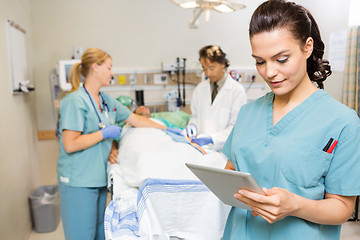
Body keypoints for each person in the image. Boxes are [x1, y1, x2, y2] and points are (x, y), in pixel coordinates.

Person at [222, 0, 360, 239]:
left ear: (307, 47)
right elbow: (231, 173)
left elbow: (342, 208)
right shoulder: (248, 113)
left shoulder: (342, 122)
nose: (269, 72)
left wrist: (295, 205)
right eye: (260, 61)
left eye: (281, 59)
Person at [57, 48, 180, 240]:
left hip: (97, 178)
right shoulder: (74, 101)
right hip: (78, 181)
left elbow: (135, 119)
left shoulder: (106, 101)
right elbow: (70, 144)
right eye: (109, 68)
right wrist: (104, 133)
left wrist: (167, 128)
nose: (112, 73)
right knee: (81, 235)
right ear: (95, 68)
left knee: (98, 234)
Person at [186, 45, 247, 151]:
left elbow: (236, 128)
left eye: (211, 68)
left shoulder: (237, 91)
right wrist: (192, 125)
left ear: (223, 64)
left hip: (223, 152)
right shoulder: (200, 89)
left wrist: (212, 138)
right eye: (204, 69)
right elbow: (195, 116)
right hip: (199, 149)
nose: (207, 73)